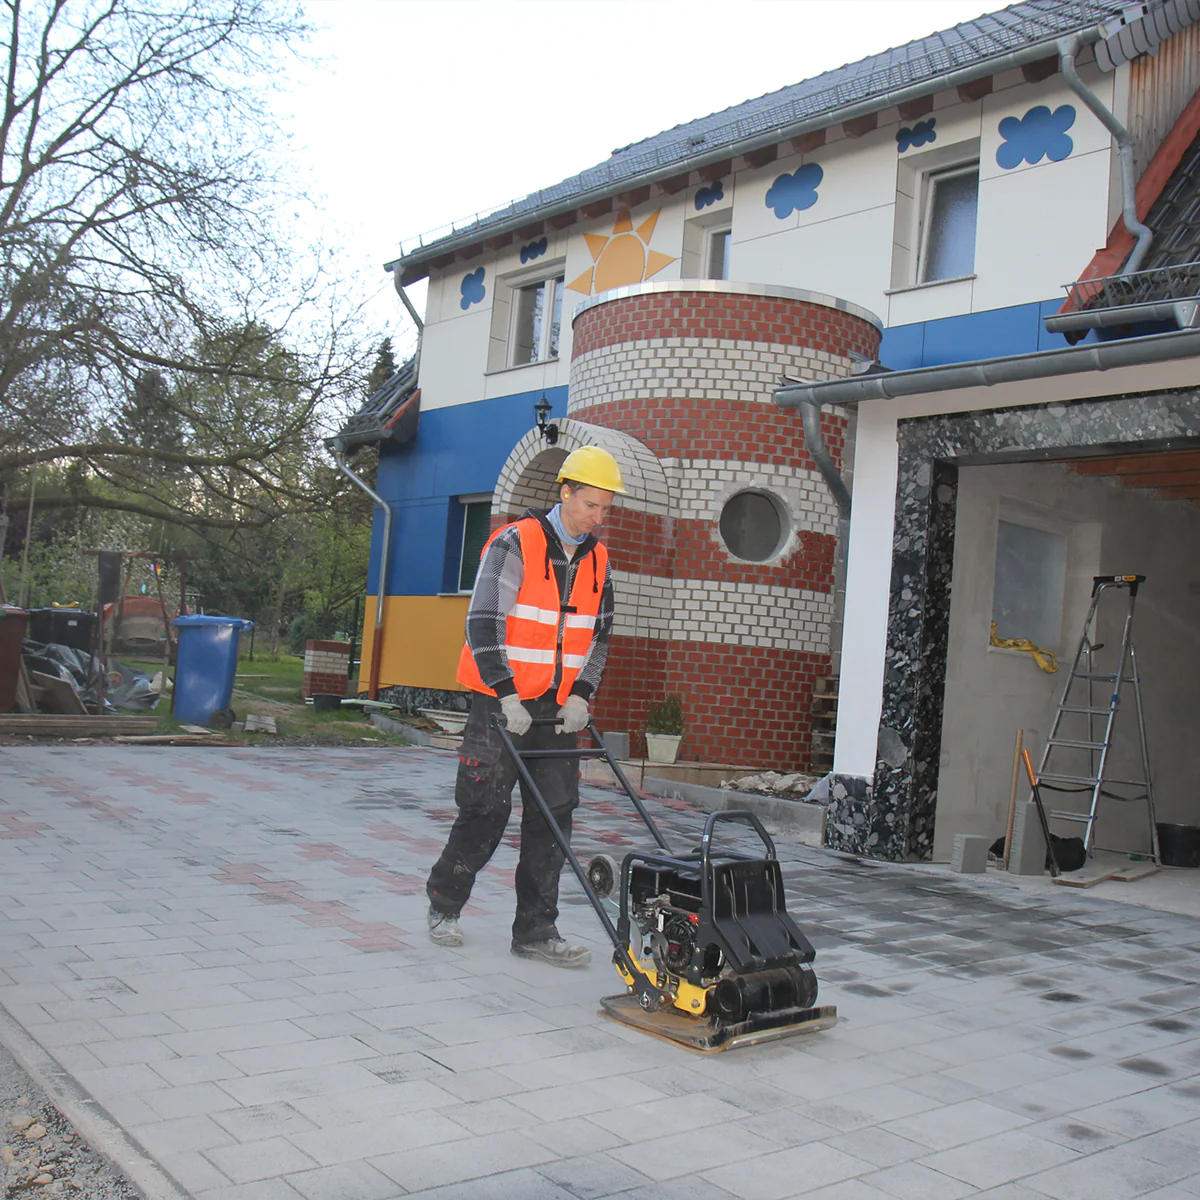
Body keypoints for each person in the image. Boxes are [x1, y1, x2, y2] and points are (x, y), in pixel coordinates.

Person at [425, 446, 624, 967]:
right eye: (591, 505)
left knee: (554, 818)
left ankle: (536, 931)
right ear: (566, 492)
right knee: (485, 808)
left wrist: (581, 695)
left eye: (605, 508)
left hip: (557, 712)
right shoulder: (516, 542)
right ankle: (445, 904)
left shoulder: (599, 560)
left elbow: (600, 638)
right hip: (503, 703)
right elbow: (483, 621)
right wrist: (506, 691)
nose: (598, 518)